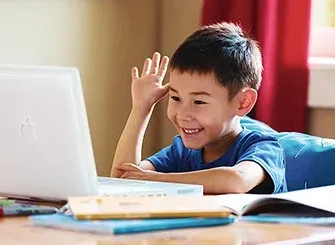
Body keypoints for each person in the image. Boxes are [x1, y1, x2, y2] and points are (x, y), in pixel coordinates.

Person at [110, 22, 287, 194]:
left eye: (199, 102)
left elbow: (236, 180)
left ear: (243, 102)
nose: (183, 114)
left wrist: (156, 179)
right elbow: (122, 180)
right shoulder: (181, 151)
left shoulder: (263, 146)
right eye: (176, 98)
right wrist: (141, 108)